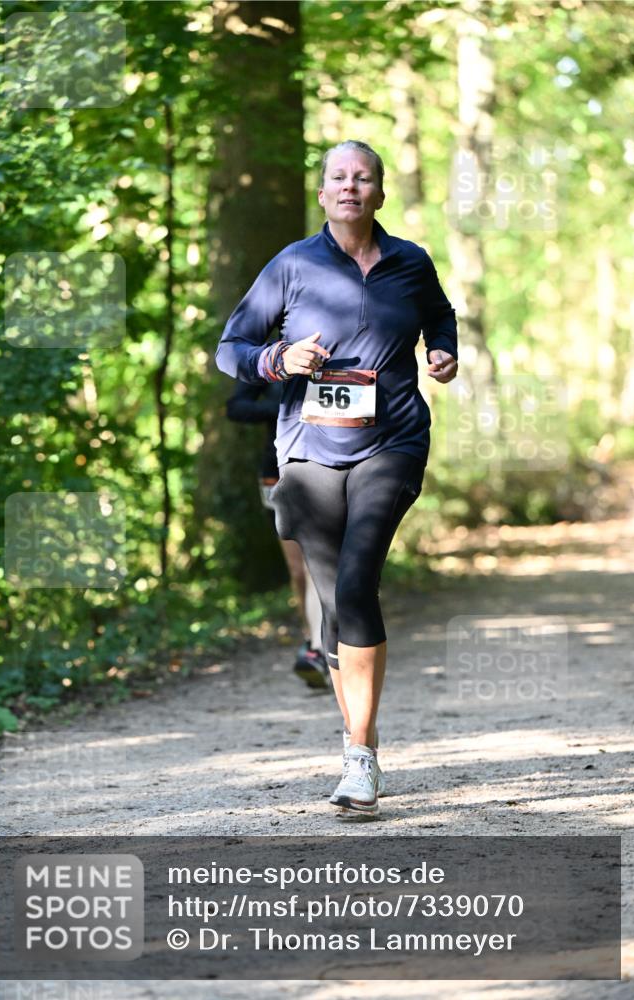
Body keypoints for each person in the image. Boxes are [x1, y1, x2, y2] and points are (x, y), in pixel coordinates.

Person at [216, 139, 458, 816]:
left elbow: (438, 315)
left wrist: (443, 351)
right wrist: (277, 358)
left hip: (392, 443)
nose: (350, 187)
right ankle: (358, 730)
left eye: (363, 178)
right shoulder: (290, 266)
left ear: (379, 192)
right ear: (321, 193)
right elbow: (228, 348)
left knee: (355, 584)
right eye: (338, 178)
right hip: (308, 454)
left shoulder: (410, 262)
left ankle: (360, 757)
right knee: (329, 609)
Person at [225, 376, 329, 689]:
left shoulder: (340, 349)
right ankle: (311, 637)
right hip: (277, 471)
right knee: (298, 572)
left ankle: (318, 651)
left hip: (328, 466)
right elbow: (236, 407)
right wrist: (285, 408)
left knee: (316, 568)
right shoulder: (270, 358)